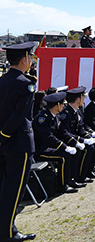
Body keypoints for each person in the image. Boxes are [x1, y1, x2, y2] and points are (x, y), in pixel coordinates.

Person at [0, 42, 37, 242]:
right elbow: (18, 116)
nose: (31, 62)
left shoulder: (2, 81)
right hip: (19, 144)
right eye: (30, 58)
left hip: (4, 144)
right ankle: (7, 234)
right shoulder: (26, 84)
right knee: (13, 192)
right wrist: (4, 136)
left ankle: (8, 229)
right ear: (24, 60)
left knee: (3, 188)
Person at [32, 92, 86, 193]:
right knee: (64, 156)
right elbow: (49, 137)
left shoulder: (56, 116)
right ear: (56, 106)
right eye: (62, 104)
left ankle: (70, 179)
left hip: (51, 147)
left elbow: (63, 132)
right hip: (42, 150)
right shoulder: (42, 118)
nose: (63, 106)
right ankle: (62, 185)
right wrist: (65, 147)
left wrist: (75, 143)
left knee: (75, 151)